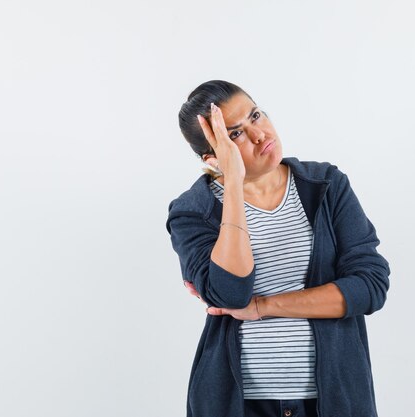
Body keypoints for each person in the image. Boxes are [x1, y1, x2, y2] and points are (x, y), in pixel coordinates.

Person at [165, 80, 391, 417]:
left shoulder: (326, 186)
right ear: (213, 157)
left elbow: (370, 287)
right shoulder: (192, 210)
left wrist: (264, 306)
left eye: (255, 115)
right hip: (238, 403)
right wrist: (235, 187)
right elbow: (230, 293)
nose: (259, 134)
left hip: (334, 398)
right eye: (235, 135)